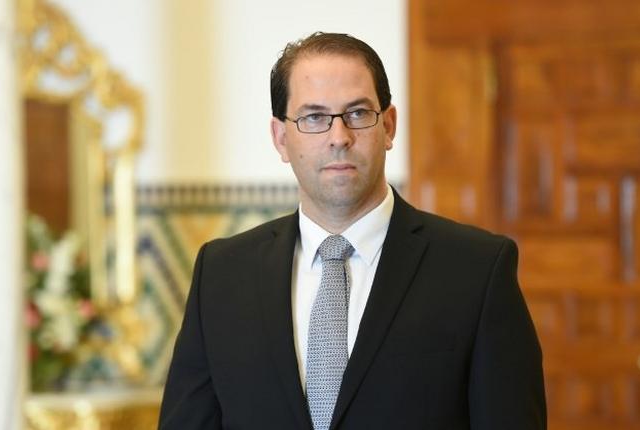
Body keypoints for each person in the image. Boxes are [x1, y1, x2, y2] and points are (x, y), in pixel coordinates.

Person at [159, 32, 546, 430]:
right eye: (313, 118)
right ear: (281, 139)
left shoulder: (477, 270)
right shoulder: (222, 274)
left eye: (358, 114)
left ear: (389, 126)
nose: (339, 137)